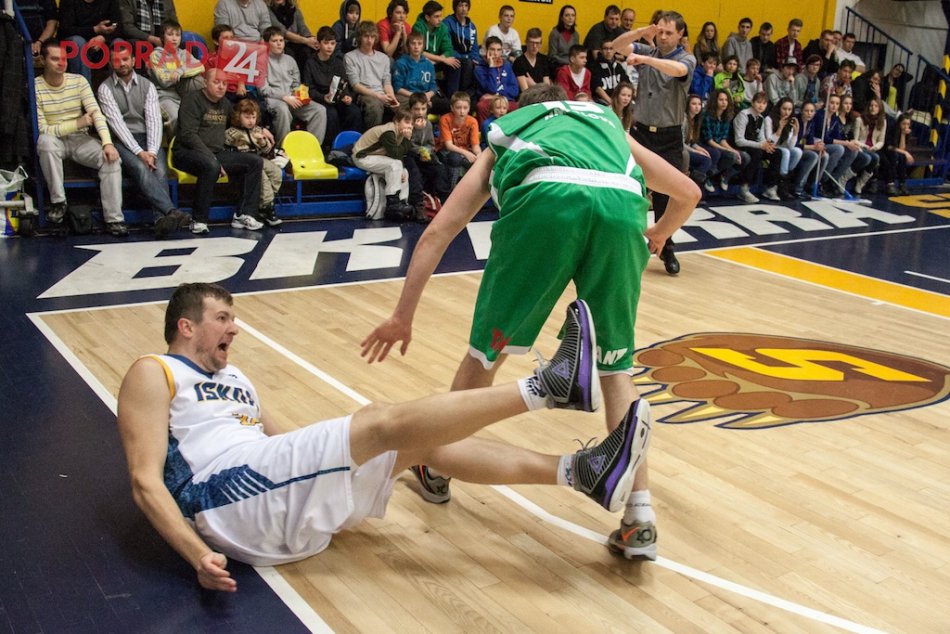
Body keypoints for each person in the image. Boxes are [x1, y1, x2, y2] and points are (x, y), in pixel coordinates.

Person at [118, 282, 652, 590]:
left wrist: (350, 459)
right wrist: (195, 555)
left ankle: (581, 472)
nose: (234, 328)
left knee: (418, 444)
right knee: (377, 421)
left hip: (271, 495)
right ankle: (548, 386)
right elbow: (145, 481)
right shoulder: (153, 370)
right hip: (223, 499)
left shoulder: (235, 376)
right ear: (186, 326)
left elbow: (287, 443)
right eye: (222, 318)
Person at [362, 83, 700, 562]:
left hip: (547, 198)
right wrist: (658, 234)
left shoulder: (513, 126)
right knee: (615, 366)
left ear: (529, 107)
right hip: (623, 208)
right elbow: (687, 193)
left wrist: (402, 315)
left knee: (487, 354)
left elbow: (439, 230)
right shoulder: (605, 123)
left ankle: (436, 468)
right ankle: (639, 515)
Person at [614, 11, 696, 276]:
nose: (662, 37)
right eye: (660, 31)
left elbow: (677, 70)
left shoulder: (686, 58)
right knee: (630, 189)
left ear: (680, 34)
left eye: (669, 33)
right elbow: (616, 46)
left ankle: (666, 247)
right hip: (641, 134)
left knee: (666, 195)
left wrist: (646, 59)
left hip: (668, 136)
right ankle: (623, 245)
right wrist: (640, 33)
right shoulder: (647, 49)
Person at [35, 40, 127, 236]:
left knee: (111, 158)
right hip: (55, 141)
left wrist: (107, 143)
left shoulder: (78, 81)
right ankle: (59, 202)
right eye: (55, 59)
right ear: (43, 60)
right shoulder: (35, 86)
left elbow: (96, 114)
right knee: (45, 142)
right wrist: (77, 123)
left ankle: (114, 219)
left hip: (80, 140)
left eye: (64, 59)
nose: (62, 63)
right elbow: (43, 129)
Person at [97, 45, 190, 238]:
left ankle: (161, 221)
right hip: (122, 141)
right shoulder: (105, 88)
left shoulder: (147, 86)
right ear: (111, 63)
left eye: (125, 59)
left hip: (148, 138)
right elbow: (117, 125)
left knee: (160, 170)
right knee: (141, 168)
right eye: (116, 60)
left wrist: (152, 152)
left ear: (133, 60)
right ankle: (171, 211)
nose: (122, 63)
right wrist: (140, 153)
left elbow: (154, 120)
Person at [173, 68, 264, 233]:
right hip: (186, 153)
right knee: (211, 166)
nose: (221, 87)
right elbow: (188, 135)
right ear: (205, 83)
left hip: (216, 153)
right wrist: (212, 158)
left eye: (224, 83)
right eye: (216, 82)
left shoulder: (225, 104)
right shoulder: (192, 100)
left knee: (255, 162)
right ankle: (198, 220)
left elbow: (240, 121)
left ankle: (243, 214)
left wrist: (261, 130)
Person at [260, 26, 327, 145]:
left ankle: (312, 147)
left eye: (281, 40)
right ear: (266, 43)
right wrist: (284, 97)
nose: (279, 44)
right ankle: (283, 148)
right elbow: (263, 89)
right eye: (274, 41)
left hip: (293, 98)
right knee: (283, 109)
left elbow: (296, 83)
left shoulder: (290, 60)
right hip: (274, 100)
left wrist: (300, 94)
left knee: (319, 110)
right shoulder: (261, 61)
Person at [225, 98, 283, 226]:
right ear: (238, 116)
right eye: (247, 117)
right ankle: (267, 207)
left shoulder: (257, 130)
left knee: (276, 173)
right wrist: (250, 138)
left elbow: (267, 149)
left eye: (253, 117)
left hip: (258, 158)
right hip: (244, 161)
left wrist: (262, 142)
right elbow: (228, 143)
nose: (251, 121)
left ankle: (263, 206)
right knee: (263, 179)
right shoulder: (232, 132)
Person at [302, 27, 363, 146]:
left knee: (354, 111)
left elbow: (344, 83)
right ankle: (331, 146)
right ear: (319, 44)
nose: (329, 47)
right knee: (331, 114)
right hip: (320, 99)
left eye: (332, 43)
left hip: (338, 98)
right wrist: (323, 97)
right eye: (326, 43)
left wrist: (347, 96)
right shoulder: (310, 63)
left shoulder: (338, 63)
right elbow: (308, 88)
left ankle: (354, 144)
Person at [352, 108, 416, 218]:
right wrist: (407, 140)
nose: (410, 126)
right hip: (362, 157)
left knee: (404, 172)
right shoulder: (388, 132)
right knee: (394, 165)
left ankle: (402, 202)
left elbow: (398, 155)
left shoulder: (399, 132)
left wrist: (401, 169)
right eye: (406, 122)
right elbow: (395, 153)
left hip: (377, 157)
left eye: (412, 124)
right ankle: (393, 204)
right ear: (397, 122)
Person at [149, 20, 206, 133]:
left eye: (177, 35)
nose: (174, 38)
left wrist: (181, 71)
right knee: (176, 117)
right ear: (162, 37)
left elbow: (200, 67)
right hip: (165, 97)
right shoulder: (155, 55)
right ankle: (174, 143)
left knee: (199, 81)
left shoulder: (184, 53)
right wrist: (182, 72)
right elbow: (164, 81)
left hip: (184, 95)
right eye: (170, 34)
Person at [345, 21, 400, 129]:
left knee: (408, 103)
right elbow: (355, 85)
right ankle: (372, 138)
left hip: (383, 94)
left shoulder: (384, 58)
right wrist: (378, 96)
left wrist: (392, 98)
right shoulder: (350, 57)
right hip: (364, 95)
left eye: (372, 37)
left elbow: (387, 82)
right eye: (366, 36)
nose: (369, 40)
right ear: (360, 37)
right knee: (375, 105)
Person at [57, 0, 120, 82]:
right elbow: (65, 30)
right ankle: (84, 88)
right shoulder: (69, 2)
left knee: (119, 43)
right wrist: (94, 30)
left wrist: (103, 38)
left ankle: (119, 88)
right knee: (78, 42)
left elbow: (118, 26)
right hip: (77, 44)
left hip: (104, 41)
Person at [405, 92, 450, 202]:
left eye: (423, 109)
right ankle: (417, 201)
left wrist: (426, 151)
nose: (420, 112)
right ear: (410, 109)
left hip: (424, 155)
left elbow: (431, 144)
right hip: (409, 155)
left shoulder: (428, 124)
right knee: (414, 172)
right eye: (416, 109)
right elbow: (406, 145)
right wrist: (415, 129)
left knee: (439, 169)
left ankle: (444, 199)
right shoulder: (406, 123)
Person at [392, 30, 448, 114]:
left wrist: (428, 95)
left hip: (425, 95)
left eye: (419, 44)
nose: (416, 47)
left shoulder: (428, 64)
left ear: (423, 46)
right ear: (408, 45)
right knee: (415, 105)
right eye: (413, 43)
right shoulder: (401, 63)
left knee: (446, 104)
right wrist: (418, 98)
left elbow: (433, 86)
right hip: (408, 95)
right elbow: (398, 88)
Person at [700, 88, 741, 194]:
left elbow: (722, 139)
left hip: (718, 144)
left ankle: (725, 176)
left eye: (726, 100)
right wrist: (727, 150)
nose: (724, 102)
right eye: (721, 100)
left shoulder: (726, 117)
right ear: (715, 101)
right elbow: (709, 140)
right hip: (705, 144)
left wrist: (733, 150)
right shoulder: (707, 116)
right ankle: (707, 176)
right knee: (724, 154)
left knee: (743, 156)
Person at [436, 91, 480, 188]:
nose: (462, 111)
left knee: (477, 163)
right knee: (455, 158)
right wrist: (466, 153)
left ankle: (470, 190)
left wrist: (479, 156)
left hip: (464, 151)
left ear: (469, 108)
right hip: (446, 151)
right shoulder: (445, 119)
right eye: (458, 108)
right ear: (452, 108)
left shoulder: (473, 121)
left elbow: (475, 146)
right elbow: (448, 145)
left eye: (465, 108)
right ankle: (451, 189)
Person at [762, 97, 800, 200]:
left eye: (789, 109)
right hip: (769, 147)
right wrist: (779, 129)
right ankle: (780, 185)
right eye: (784, 109)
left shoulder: (790, 122)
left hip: (783, 148)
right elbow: (770, 141)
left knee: (797, 151)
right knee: (785, 152)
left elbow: (791, 146)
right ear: (779, 108)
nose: (786, 112)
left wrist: (795, 133)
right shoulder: (769, 119)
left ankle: (784, 180)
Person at [473, 36, 519, 121]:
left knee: (516, 107)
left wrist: (495, 95)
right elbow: (492, 88)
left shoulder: (507, 65)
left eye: (499, 50)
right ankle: (486, 129)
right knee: (481, 106)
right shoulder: (479, 68)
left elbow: (515, 91)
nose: (496, 53)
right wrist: (492, 67)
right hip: (489, 102)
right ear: (486, 51)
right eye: (492, 49)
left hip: (506, 100)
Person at [266, 0, 317, 72]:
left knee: (309, 50)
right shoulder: (268, 11)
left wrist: (312, 40)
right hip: (281, 43)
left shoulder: (294, 9)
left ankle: (308, 78)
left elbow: (303, 29)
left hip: (297, 42)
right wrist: (306, 41)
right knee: (289, 54)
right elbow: (283, 33)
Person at [791, 100, 828, 199]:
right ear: (801, 111)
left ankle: (814, 185)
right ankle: (798, 187)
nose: (809, 113)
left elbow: (810, 141)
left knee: (824, 156)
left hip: (803, 148)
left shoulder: (811, 123)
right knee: (813, 156)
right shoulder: (796, 121)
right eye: (806, 111)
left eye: (812, 111)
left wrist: (818, 147)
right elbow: (794, 143)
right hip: (793, 148)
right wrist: (813, 148)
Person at [442, 0, 479, 96]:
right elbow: (447, 46)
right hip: (452, 57)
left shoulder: (472, 26)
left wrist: (476, 59)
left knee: (475, 64)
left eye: (466, 6)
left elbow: (474, 47)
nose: (463, 9)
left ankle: (466, 96)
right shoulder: (447, 23)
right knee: (461, 63)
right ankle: (454, 96)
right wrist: (464, 57)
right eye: (460, 5)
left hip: (467, 59)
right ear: (455, 7)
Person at [851, 97, 886, 194]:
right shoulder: (859, 120)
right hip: (860, 147)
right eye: (871, 105)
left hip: (873, 148)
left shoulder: (883, 121)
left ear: (880, 108)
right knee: (872, 157)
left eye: (876, 106)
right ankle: (845, 178)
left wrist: (875, 147)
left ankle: (861, 182)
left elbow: (881, 141)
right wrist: (865, 146)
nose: (873, 108)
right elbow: (855, 139)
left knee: (876, 157)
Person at [683, 93, 713, 191]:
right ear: (688, 105)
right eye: (694, 104)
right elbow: (680, 142)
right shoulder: (683, 119)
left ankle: (698, 183)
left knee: (711, 154)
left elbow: (692, 142)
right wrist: (695, 151)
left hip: (688, 147)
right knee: (705, 160)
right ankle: (691, 187)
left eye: (699, 104)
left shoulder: (696, 120)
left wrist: (700, 149)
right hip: (681, 149)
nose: (697, 107)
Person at [881, 113, 913, 195]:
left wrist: (903, 134)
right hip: (885, 150)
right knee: (894, 156)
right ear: (899, 123)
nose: (906, 126)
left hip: (895, 151)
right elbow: (889, 147)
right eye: (904, 124)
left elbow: (901, 149)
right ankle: (890, 183)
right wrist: (905, 152)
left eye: (908, 124)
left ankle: (902, 183)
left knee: (902, 157)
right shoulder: (892, 129)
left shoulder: (905, 132)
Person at [589, 39, 626, 105]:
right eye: (605, 49)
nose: (608, 51)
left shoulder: (618, 66)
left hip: (618, 100)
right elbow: (598, 89)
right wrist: (612, 103)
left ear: (614, 50)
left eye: (611, 48)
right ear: (600, 50)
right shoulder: (595, 67)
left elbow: (626, 83)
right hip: (602, 101)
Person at [547, 5, 578, 71]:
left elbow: (576, 53)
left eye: (573, 15)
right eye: (567, 15)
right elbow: (552, 55)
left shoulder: (576, 34)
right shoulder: (555, 33)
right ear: (561, 18)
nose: (570, 18)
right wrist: (568, 63)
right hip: (558, 65)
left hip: (572, 65)